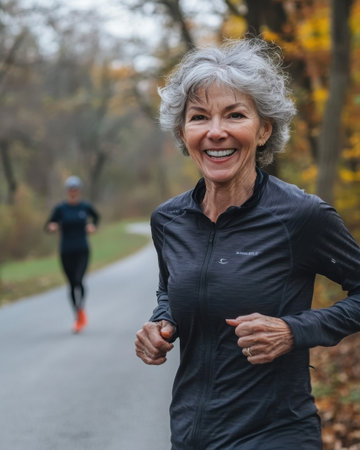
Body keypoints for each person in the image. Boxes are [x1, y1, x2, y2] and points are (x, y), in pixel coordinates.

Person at [134, 37, 360, 449]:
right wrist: (161, 322)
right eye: (199, 117)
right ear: (184, 134)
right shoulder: (168, 220)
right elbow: (170, 287)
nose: (216, 132)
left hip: (275, 434)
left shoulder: (301, 216)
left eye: (235, 115)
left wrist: (295, 330)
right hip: (189, 434)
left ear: (264, 130)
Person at [46, 175, 100, 333]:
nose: (73, 192)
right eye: (70, 189)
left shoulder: (85, 206)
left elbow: (96, 217)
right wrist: (52, 226)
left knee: (79, 280)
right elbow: (49, 224)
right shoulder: (60, 208)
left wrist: (93, 226)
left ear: (79, 191)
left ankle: (80, 309)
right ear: (67, 191)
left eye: (75, 189)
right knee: (71, 284)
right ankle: (78, 314)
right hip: (66, 250)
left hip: (82, 250)